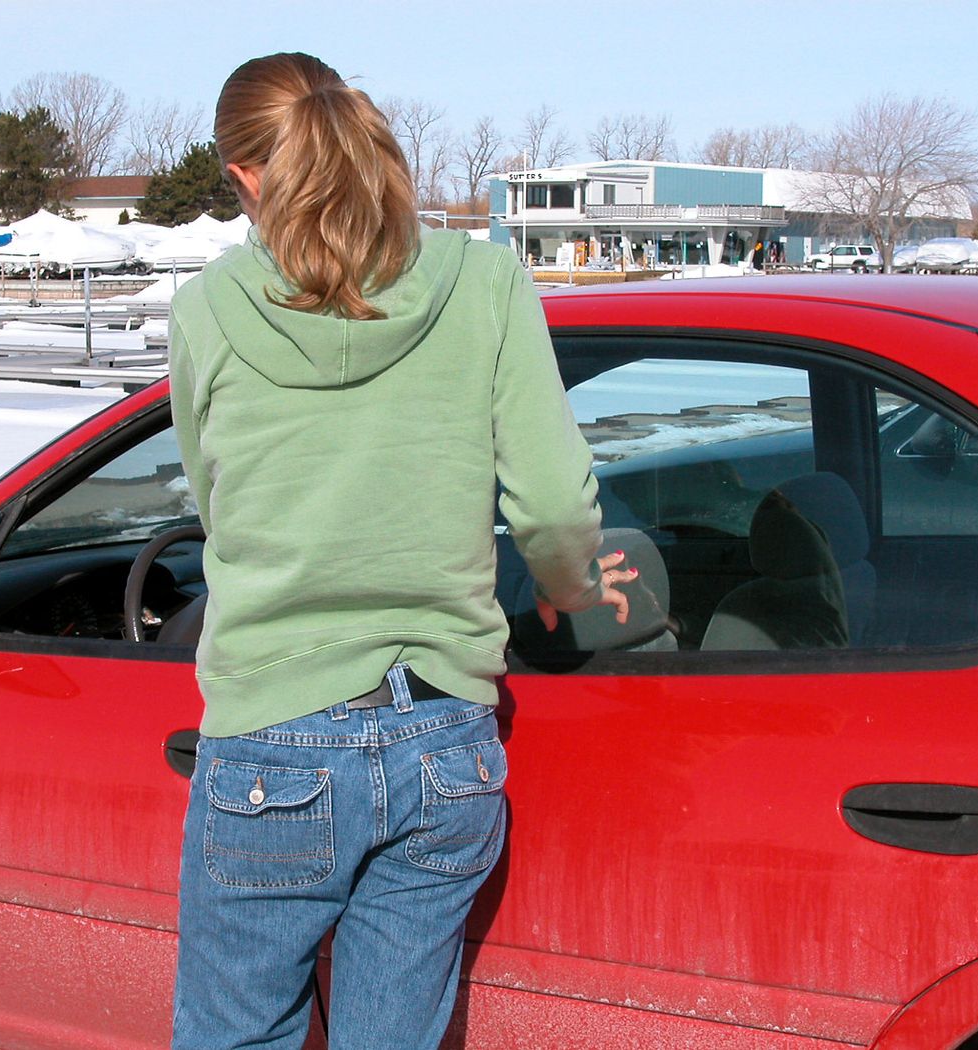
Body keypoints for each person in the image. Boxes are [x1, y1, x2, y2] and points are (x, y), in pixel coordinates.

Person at [167, 52, 635, 1050]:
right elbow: (555, 503)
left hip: (272, 735)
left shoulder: (207, 309)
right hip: (443, 738)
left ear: (245, 175)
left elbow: (219, 507)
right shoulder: (487, 282)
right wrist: (566, 586)